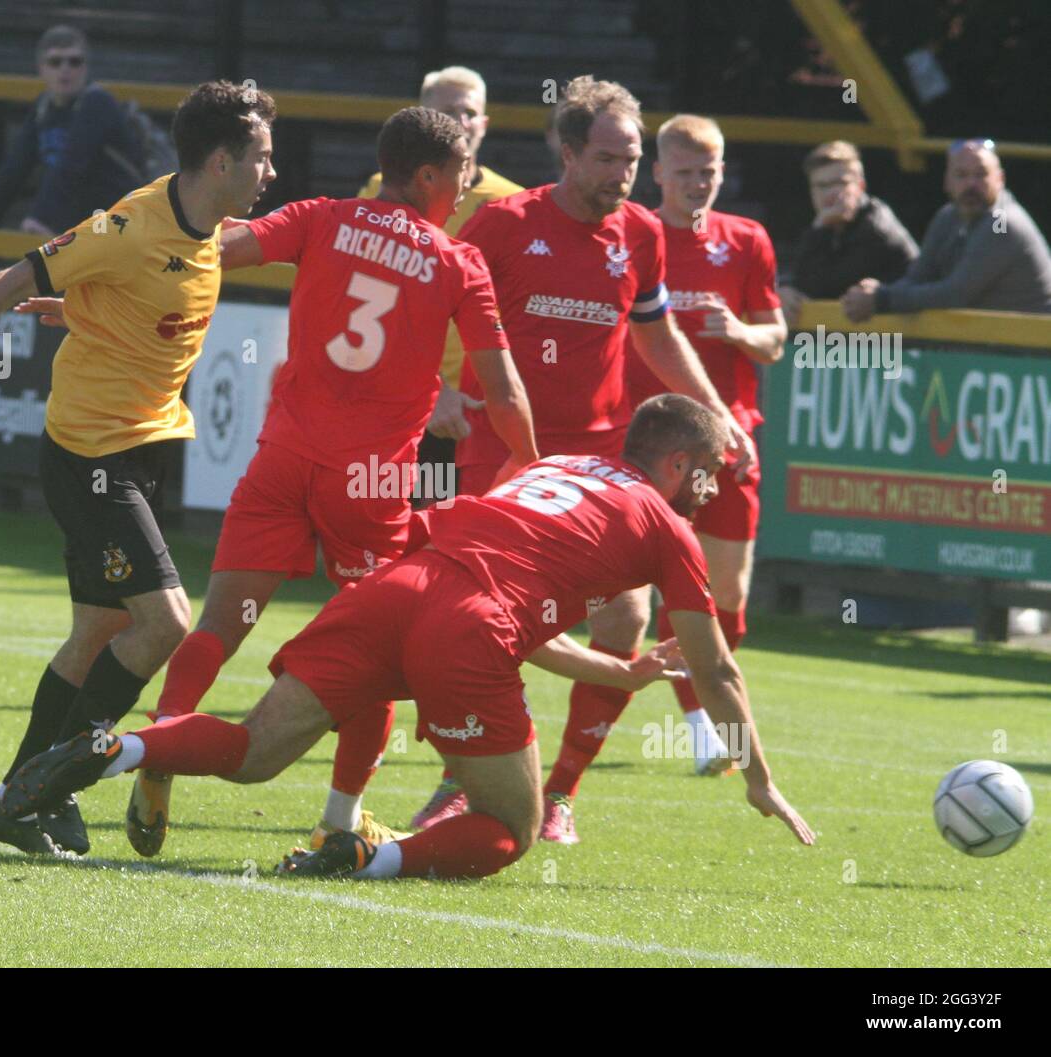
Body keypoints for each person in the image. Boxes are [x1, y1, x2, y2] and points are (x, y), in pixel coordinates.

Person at [0, 395, 815, 881]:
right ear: (674, 464)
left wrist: (614, 669)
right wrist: (758, 777)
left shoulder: (555, 468)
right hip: (465, 623)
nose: (713, 487)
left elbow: (501, 594)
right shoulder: (664, 524)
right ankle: (358, 855)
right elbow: (717, 668)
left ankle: (116, 749)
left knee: (253, 750)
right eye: (709, 469)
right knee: (509, 828)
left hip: (398, 590)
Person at [0, 81, 279, 855]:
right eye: (262, 158)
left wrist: (83, 310)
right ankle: (60, 784)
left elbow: (139, 306)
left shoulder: (207, 225)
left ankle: (16, 799)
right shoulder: (127, 225)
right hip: (91, 456)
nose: (271, 172)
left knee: (98, 631)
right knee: (166, 621)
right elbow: (16, 277)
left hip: (146, 444)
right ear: (221, 161)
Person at [122, 106, 538, 859]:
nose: (466, 189)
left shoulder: (322, 217)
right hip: (371, 483)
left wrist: (116, 285)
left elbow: (218, 250)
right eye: (462, 176)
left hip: (284, 457)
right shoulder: (458, 263)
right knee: (371, 658)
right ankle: (339, 817)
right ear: (427, 177)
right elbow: (504, 393)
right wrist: (533, 471)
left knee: (220, 623)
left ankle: (160, 748)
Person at [406, 76, 756, 839]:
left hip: (599, 452)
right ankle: (459, 780)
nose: (621, 175)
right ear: (567, 153)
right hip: (505, 443)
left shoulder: (641, 234)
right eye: (606, 159)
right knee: (487, 617)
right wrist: (435, 389)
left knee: (627, 611)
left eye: (630, 160)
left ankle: (560, 791)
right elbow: (424, 303)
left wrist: (718, 416)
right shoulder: (503, 225)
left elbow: (654, 333)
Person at [617, 114, 784, 780]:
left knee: (727, 592)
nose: (698, 183)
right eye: (684, 172)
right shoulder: (633, 234)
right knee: (642, 594)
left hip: (732, 440)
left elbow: (775, 337)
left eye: (709, 171)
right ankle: (699, 727)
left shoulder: (747, 240)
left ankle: (713, 716)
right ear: (657, 173)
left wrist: (740, 331)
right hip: (651, 448)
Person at [358, 66, 524, 500]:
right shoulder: (381, 192)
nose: (461, 122)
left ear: (485, 122)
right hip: (401, 402)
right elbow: (368, 298)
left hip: (481, 413)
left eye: (470, 112)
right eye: (447, 111)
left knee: (463, 544)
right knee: (390, 537)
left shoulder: (516, 204)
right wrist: (429, 386)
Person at [0, 25, 142, 238]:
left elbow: (71, 165)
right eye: (55, 62)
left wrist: (42, 218)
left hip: (120, 222)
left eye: (75, 62)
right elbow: (15, 168)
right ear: (41, 69)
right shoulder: (43, 108)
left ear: (85, 68)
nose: (65, 69)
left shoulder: (97, 102)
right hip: (84, 225)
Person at [841, 139, 1051, 320]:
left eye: (981, 175)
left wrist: (881, 299)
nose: (971, 184)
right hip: (993, 354)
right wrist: (872, 294)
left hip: (1035, 356)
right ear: (947, 181)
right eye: (961, 175)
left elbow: (955, 294)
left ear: (1000, 180)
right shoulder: (948, 216)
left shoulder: (1003, 224)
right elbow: (919, 277)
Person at [778, 141, 917, 329]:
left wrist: (819, 228)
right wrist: (783, 288)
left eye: (841, 183)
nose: (831, 193)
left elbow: (819, 287)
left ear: (860, 186)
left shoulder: (876, 227)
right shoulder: (820, 221)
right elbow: (793, 272)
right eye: (821, 186)